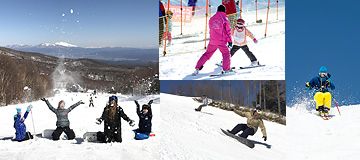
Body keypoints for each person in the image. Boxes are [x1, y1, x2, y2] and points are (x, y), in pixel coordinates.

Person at [193, 5, 232, 75]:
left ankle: (198, 67)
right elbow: (227, 30)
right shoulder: (224, 18)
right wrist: (229, 40)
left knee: (207, 54)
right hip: (221, 41)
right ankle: (226, 69)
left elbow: (211, 29)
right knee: (226, 54)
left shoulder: (212, 18)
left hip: (212, 41)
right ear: (224, 11)